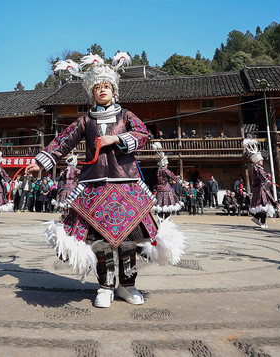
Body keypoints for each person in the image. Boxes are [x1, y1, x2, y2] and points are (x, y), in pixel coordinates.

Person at [26, 52, 184, 308]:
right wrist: (41, 162)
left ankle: (128, 286)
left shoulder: (127, 117)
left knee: (128, 241)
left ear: (114, 90)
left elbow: (143, 135)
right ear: (92, 93)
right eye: (97, 87)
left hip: (127, 183)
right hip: (94, 185)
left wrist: (117, 139)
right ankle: (105, 287)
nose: (102, 90)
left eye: (106, 87)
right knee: (100, 242)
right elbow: (63, 142)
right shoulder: (85, 120)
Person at [243, 139, 280, 229]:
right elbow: (262, 177)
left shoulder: (257, 168)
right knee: (263, 206)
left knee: (263, 206)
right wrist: (266, 179)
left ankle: (257, 218)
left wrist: (267, 178)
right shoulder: (257, 168)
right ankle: (262, 222)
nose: (262, 160)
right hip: (260, 190)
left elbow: (263, 177)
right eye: (261, 159)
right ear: (257, 161)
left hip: (261, 189)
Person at [152, 143, 184, 219]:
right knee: (167, 208)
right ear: (165, 163)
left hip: (159, 190)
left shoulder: (158, 170)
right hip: (166, 190)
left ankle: (160, 222)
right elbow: (173, 176)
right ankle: (166, 223)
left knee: (160, 208)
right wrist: (181, 182)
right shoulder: (166, 170)